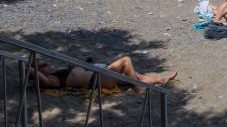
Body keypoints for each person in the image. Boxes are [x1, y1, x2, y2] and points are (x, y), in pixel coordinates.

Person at [31, 56, 177, 94]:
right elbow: (41, 80)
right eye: (43, 65)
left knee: (134, 75)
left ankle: (161, 79)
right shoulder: (53, 79)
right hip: (98, 79)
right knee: (126, 61)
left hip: (100, 74)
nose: (47, 64)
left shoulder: (58, 70)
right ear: (40, 71)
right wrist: (28, 67)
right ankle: (138, 88)